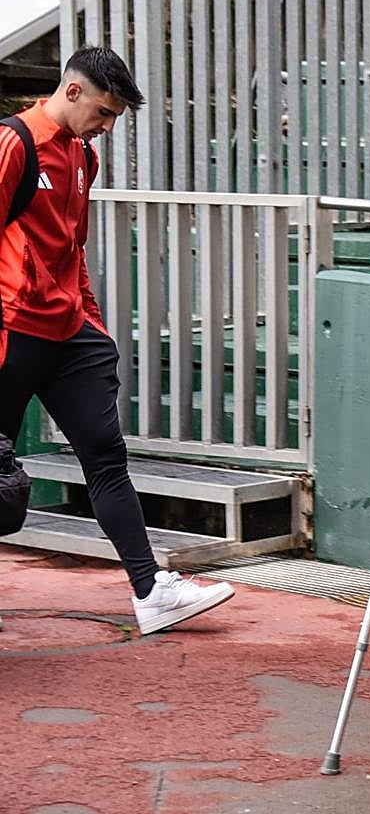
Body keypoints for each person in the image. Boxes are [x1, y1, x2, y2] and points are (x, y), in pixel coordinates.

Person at [0, 47, 235, 635]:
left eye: (115, 118)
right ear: (72, 91)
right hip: (11, 330)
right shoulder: (13, 143)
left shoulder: (85, 156)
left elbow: (71, 249)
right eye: (103, 112)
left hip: (67, 334)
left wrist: (93, 323)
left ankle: (151, 589)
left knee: (106, 454)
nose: (107, 126)